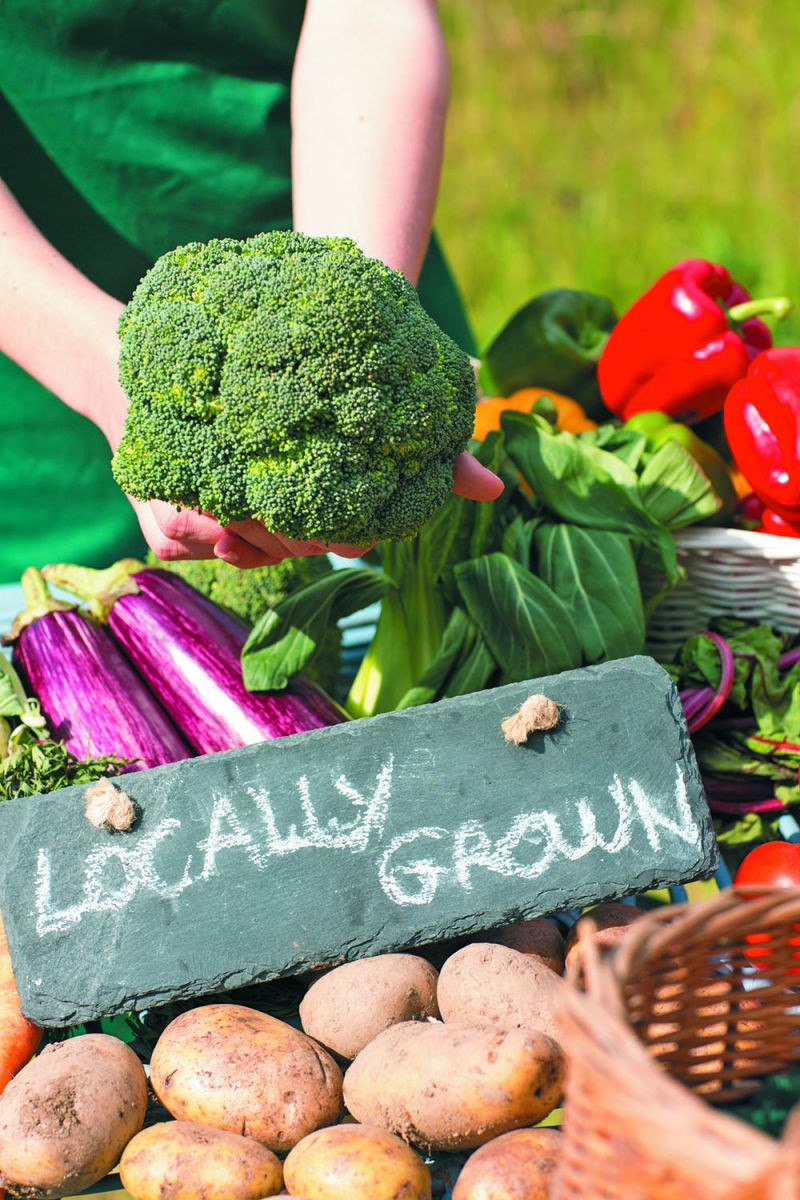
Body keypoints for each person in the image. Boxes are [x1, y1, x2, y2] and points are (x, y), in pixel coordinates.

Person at [0, 0, 502, 582]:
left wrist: (358, 309)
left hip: (363, 218)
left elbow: (369, 16)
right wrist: (107, 367)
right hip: (35, 454)